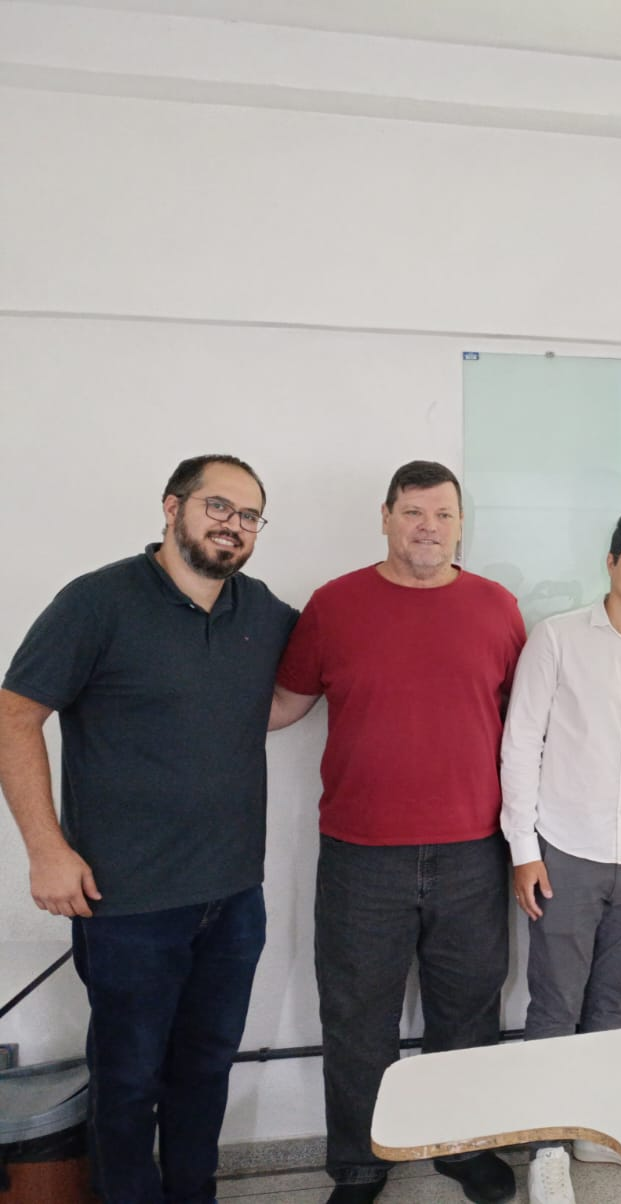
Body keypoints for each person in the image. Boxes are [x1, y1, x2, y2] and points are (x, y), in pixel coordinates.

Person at [0, 454, 297, 1202]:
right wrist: (46, 850)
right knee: (129, 1080)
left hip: (234, 895)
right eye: (218, 506)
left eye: (249, 515)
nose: (233, 525)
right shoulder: (98, 601)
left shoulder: (260, 611)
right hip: (127, 901)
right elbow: (14, 716)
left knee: (206, 1068)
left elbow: (307, 682)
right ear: (172, 507)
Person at [270, 461, 525, 1204]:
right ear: (385, 517)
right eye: (413, 512)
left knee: (468, 1012)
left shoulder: (497, 607)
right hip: (361, 855)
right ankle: (359, 1166)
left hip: (474, 850)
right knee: (357, 1018)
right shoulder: (334, 604)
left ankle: (462, 1149)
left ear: (460, 525)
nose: (428, 528)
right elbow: (283, 705)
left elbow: (528, 723)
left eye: (443, 514)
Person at [499, 510, 621, 1204]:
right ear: (611, 563)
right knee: (555, 1005)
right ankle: (546, 1149)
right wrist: (524, 850)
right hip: (567, 849)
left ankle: (592, 1128)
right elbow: (520, 743)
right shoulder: (557, 638)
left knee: (612, 1001)